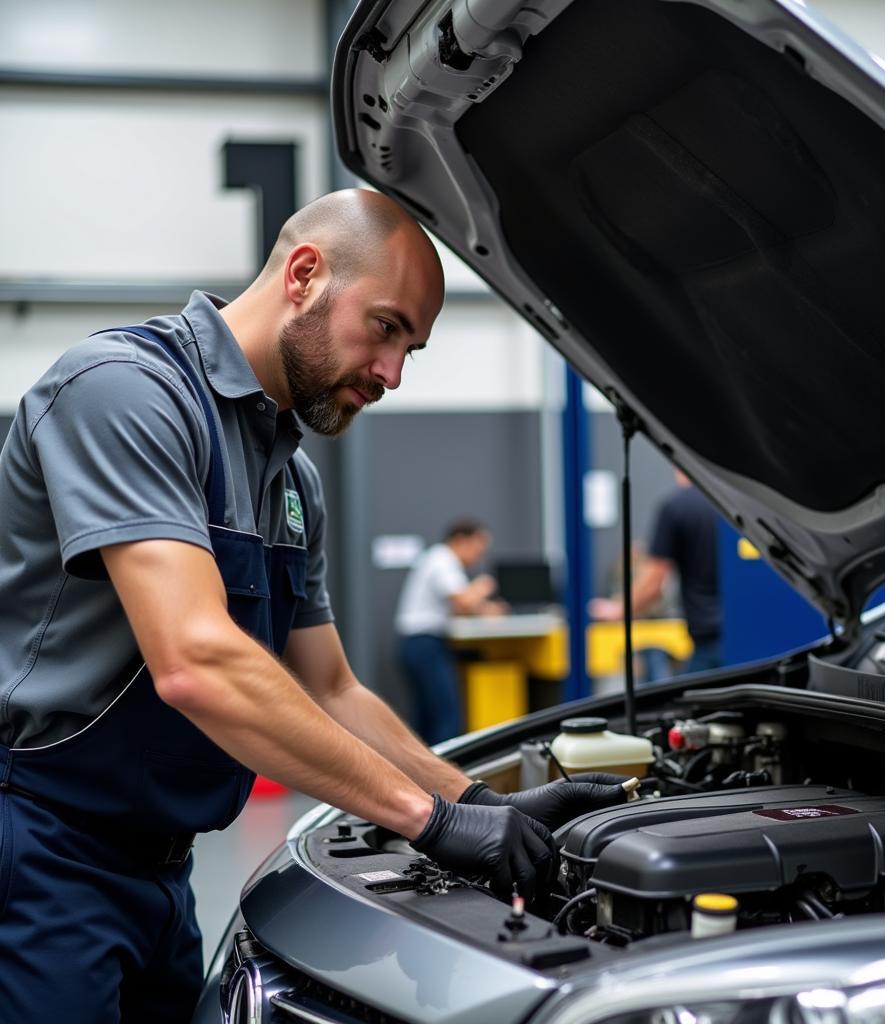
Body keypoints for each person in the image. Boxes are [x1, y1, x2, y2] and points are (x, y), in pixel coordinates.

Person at [0, 189, 628, 1022]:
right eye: (387, 328)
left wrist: (477, 802)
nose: (393, 374)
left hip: (160, 870)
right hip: (40, 850)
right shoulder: (124, 393)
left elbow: (331, 689)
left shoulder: (291, 482)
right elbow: (195, 663)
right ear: (303, 275)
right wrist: (427, 820)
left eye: (414, 349)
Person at [592, 469, 722, 673]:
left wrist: (618, 610)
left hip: (709, 641)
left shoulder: (677, 507)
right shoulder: (735, 505)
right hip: (745, 634)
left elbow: (654, 581)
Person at [395, 519, 505, 744]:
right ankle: (444, 774)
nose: (479, 556)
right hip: (425, 645)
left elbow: (458, 606)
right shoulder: (442, 560)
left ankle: (422, 774)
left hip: (419, 645)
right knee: (447, 716)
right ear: (461, 541)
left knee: (427, 717)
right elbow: (463, 601)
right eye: (477, 548)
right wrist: (483, 586)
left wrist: (483, 608)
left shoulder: (438, 559)